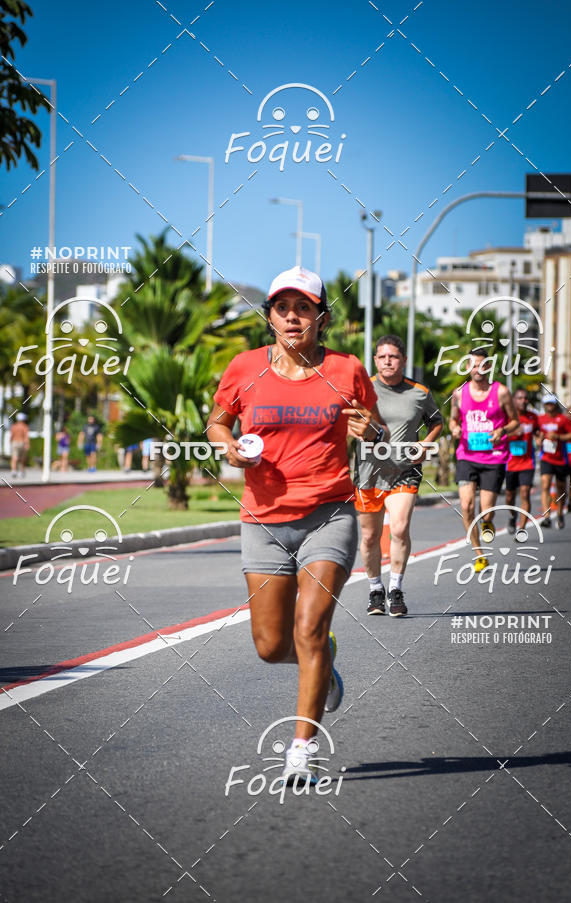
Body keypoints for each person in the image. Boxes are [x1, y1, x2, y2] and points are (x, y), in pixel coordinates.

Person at [206, 266, 385, 785]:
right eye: (283, 307)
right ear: (270, 318)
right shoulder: (243, 368)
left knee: (309, 627)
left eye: (303, 307)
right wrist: (229, 448)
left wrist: (368, 429)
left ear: (320, 318)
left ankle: (301, 748)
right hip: (262, 520)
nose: (292, 316)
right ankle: (324, 664)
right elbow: (218, 421)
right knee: (269, 646)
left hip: (328, 514)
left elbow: (373, 428)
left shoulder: (348, 369)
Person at [353, 335, 443, 616]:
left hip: (405, 471)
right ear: (375, 360)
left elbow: (437, 422)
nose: (387, 361)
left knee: (400, 528)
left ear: (403, 360)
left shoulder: (419, 393)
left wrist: (426, 443)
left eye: (393, 356)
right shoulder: (363, 389)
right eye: (382, 356)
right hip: (368, 474)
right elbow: (348, 423)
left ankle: (396, 588)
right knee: (369, 537)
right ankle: (375, 589)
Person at [449, 349, 519, 570]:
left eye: (482, 365)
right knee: (467, 506)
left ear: (489, 367)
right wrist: (454, 429)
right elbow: (452, 420)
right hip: (466, 456)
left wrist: (502, 431)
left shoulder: (502, 392)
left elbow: (515, 421)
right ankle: (480, 554)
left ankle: (487, 523)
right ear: (468, 368)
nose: (478, 369)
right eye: (473, 365)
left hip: (494, 459)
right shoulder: (459, 393)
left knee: (485, 510)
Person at [537, 394, 571, 529]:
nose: (549, 406)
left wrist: (559, 436)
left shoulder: (563, 419)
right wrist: (539, 438)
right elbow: (536, 433)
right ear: (544, 405)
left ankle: (560, 513)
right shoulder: (540, 419)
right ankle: (547, 516)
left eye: (551, 403)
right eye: (547, 403)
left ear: (555, 405)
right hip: (546, 457)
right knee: (545, 485)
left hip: (560, 459)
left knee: (561, 489)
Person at [504, 388, 539, 535]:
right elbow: (496, 435)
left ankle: (522, 528)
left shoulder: (532, 417)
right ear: (513, 400)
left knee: (525, 493)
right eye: (519, 398)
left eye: (525, 398)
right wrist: (512, 433)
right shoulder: (507, 417)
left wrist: (540, 437)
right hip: (510, 462)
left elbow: (538, 431)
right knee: (509, 496)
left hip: (527, 462)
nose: (523, 401)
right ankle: (513, 516)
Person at [10, 413, 29, 478]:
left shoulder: (14, 426)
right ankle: (21, 472)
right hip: (22, 443)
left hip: (14, 442)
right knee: (22, 459)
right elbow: (26, 436)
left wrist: (11, 443)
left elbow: (12, 436)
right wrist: (27, 444)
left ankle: (14, 471)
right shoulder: (24, 426)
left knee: (14, 458)